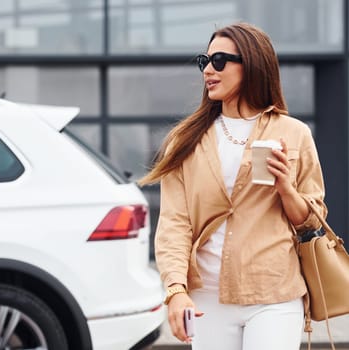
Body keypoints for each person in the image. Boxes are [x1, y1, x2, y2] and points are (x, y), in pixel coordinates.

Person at [139, 22, 327, 350]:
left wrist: (286, 189)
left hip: (274, 293)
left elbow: (313, 220)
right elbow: (174, 224)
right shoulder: (185, 140)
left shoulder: (294, 133)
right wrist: (175, 290)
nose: (209, 70)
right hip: (206, 301)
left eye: (220, 61)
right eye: (205, 61)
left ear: (252, 65)